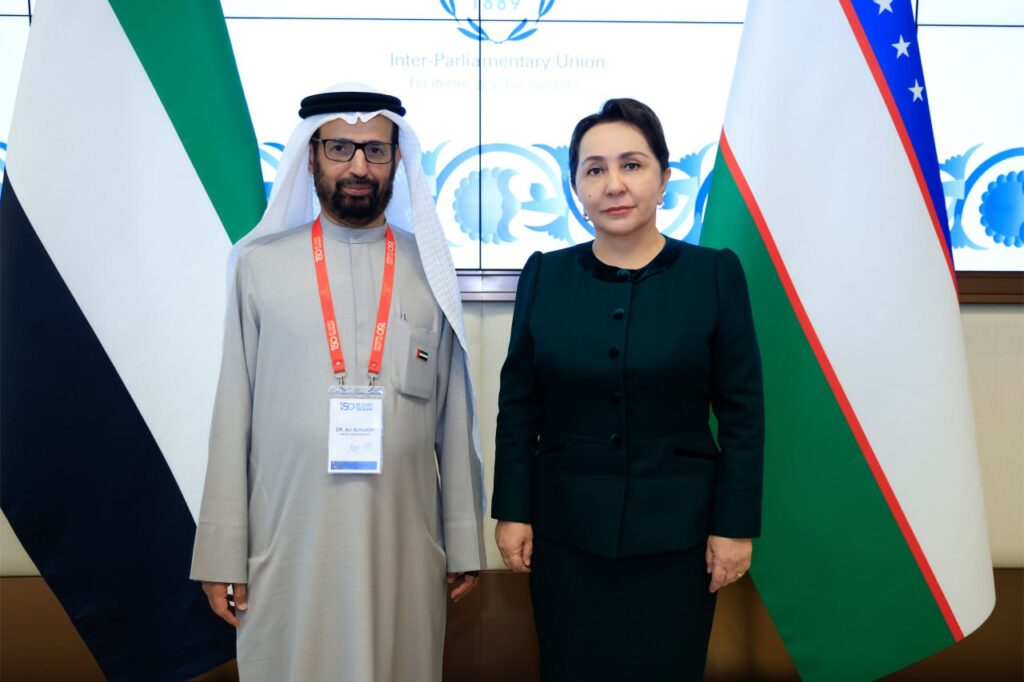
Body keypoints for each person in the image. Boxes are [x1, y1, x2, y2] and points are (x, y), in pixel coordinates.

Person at [190, 84, 485, 682]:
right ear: (311, 156)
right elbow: (231, 416)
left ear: (397, 160)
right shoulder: (260, 266)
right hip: (287, 537)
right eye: (340, 148)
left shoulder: (429, 268)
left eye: (376, 151)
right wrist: (221, 551)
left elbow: (454, 419)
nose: (358, 167)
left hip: (402, 539)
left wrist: (461, 539)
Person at [491, 98, 764, 680]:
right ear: (576, 189)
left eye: (632, 165)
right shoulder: (545, 274)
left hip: (678, 540)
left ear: (664, 179)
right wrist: (512, 511)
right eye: (594, 169)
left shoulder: (713, 274)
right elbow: (517, 407)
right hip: (565, 536)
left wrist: (734, 525)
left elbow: (743, 412)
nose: (613, 184)